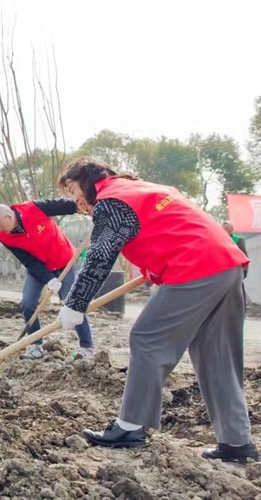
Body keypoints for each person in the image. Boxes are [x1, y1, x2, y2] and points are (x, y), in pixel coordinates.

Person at [57, 158, 255, 462]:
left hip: (196, 267)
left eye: (73, 189)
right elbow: (171, 230)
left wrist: (76, 303)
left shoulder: (112, 201)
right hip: (226, 265)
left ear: (88, 180)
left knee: (147, 337)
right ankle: (237, 442)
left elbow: (99, 256)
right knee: (217, 356)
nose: (75, 198)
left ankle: (129, 427)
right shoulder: (144, 189)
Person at [0, 201, 94, 360]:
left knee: (73, 303)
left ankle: (87, 348)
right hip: (38, 268)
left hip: (65, 260)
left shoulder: (32, 208)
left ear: (9, 217)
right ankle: (35, 345)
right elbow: (29, 261)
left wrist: (88, 209)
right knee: (28, 303)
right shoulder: (4, 237)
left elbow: (65, 206)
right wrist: (49, 279)